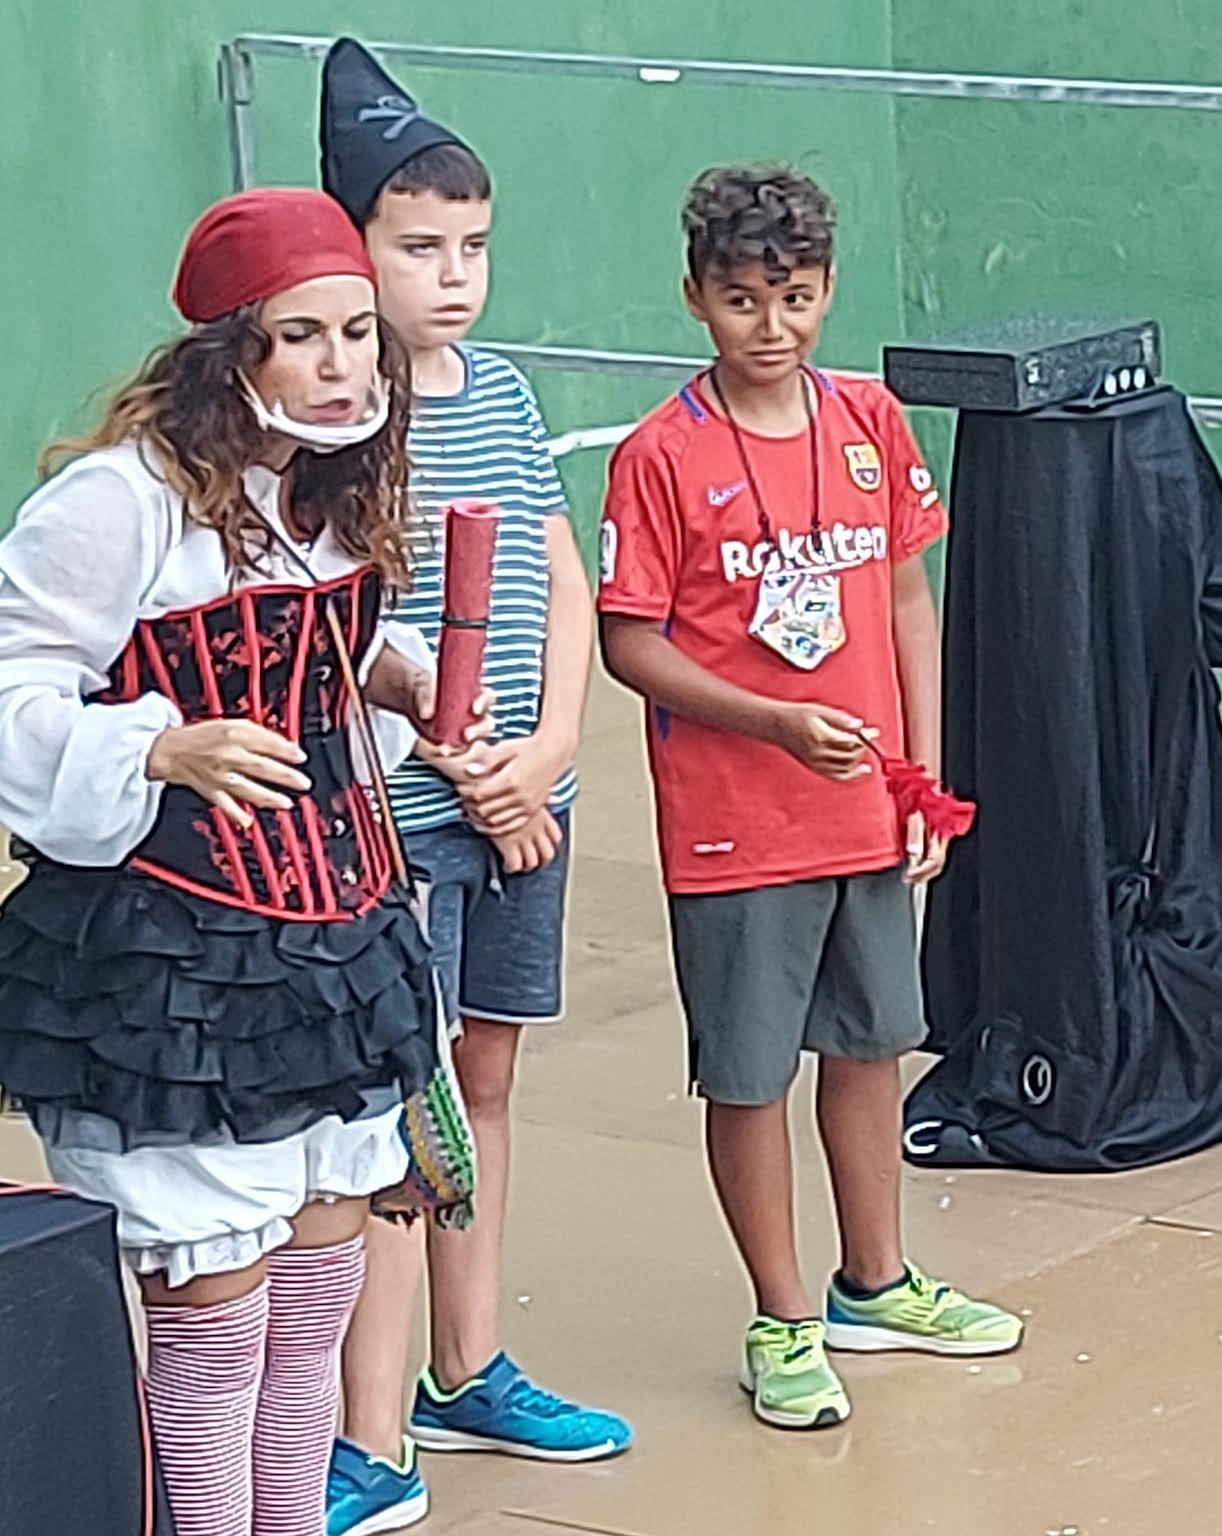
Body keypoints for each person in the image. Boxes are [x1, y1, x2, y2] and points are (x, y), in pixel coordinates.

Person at [0, 187, 482, 1536]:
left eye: (357, 335)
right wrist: (159, 748)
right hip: (176, 958)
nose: (342, 366)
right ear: (231, 350)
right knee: (215, 1332)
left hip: (333, 946)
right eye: (304, 336)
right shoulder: (120, 502)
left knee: (315, 1307)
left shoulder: (326, 486)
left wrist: (396, 679)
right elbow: (13, 685)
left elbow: (310, 653)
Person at [597, 164, 1024, 1430]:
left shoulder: (869, 422)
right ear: (694, 297)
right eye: (741, 299)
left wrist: (922, 778)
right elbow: (630, 642)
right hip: (736, 827)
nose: (770, 324)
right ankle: (780, 1318)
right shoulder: (660, 456)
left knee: (872, 1042)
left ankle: (873, 1284)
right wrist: (772, 722)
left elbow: (904, 599)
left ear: (828, 289)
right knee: (748, 1074)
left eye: (793, 296)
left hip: (866, 815)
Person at [314, 39, 629, 1536]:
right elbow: (344, 629)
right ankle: (368, 1441)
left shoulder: (499, 391)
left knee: (486, 1085)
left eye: (473, 248)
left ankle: (469, 1366)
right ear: (354, 245)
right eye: (418, 248)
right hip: (405, 817)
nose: (452, 278)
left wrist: (549, 753)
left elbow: (560, 579)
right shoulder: (336, 424)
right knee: (401, 1114)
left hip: (521, 809)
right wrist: (465, 766)